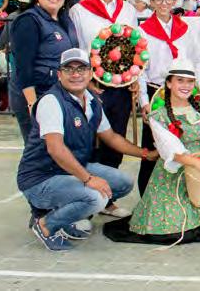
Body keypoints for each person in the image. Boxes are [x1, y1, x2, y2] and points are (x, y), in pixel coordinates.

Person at [17, 48, 154, 251]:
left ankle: (64, 215)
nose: (76, 74)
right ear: (59, 74)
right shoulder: (51, 102)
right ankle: (45, 224)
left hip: (69, 170)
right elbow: (56, 149)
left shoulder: (91, 101)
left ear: (90, 74)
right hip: (41, 177)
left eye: (81, 69)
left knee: (123, 183)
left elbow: (111, 137)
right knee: (95, 197)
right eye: (69, 69)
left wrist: (145, 154)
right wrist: (88, 179)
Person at [103, 58, 200, 245]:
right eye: (180, 80)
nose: (186, 86)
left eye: (190, 81)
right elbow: (171, 149)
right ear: (168, 83)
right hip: (176, 172)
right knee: (171, 228)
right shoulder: (158, 116)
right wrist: (196, 162)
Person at [68, 0, 137, 218]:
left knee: (115, 140)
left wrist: (135, 80)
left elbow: (135, 46)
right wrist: (85, 82)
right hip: (90, 87)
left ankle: (107, 200)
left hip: (121, 86)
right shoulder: (79, 11)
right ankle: (85, 204)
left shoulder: (128, 9)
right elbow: (76, 49)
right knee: (87, 143)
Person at [134, 0, 192, 193]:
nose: (164, 3)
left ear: (175, 1)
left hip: (181, 93)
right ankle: (146, 195)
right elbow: (140, 69)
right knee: (152, 145)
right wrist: (144, 101)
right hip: (155, 91)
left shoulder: (186, 28)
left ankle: (177, 195)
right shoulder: (142, 31)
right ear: (152, 2)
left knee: (181, 143)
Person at [8, 0, 78, 141]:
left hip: (58, 94)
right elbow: (24, 67)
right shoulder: (28, 20)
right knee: (40, 150)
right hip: (37, 95)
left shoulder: (65, 20)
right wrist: (32, 104)